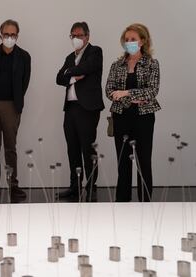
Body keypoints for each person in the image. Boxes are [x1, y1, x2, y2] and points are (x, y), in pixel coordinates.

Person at [106, 23, 160, 202]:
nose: (129, 42)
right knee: (123, 163)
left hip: (143, 118)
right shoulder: (117, 65)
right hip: (121, 117)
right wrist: (136, 97)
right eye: (126, 39)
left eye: (133, 39)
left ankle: (145, 203)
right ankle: (122, 202)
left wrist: (125, 93)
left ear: (143, 41)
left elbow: (151, 92)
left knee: (144, 162)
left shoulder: (152, 64)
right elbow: (109, 91)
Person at [0, 19, 31, 199]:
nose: (9, 37)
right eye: (6, 34)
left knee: (10, 147)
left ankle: (13, 185)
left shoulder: (24, 56)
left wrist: (16, 101)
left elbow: (24, 83)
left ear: (17, 36)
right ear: (0, 34)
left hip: (12, 106)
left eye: (13, 34)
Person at [56, 22, 104, 202]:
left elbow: (87, 68)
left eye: (80, 35)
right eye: (73, 35)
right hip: (70, 108)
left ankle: (91, 186)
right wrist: (73, 77)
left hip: (88, 108)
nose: (76, 39)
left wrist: (70, 74)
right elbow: (59, 78)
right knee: (73, 148)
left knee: (87, 148)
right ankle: (74, 186)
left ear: (87, 36)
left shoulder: (95, 52)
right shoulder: (70, 57)